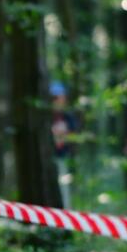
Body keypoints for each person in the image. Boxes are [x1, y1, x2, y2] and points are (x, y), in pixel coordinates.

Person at [50, 80, 78, 208]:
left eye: (58, 97)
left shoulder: (68, 116)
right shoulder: (45, 117)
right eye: (53, 97)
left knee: (64, 191)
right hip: (49, 160)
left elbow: (74, 136)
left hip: (64, 159)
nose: (56, 100)